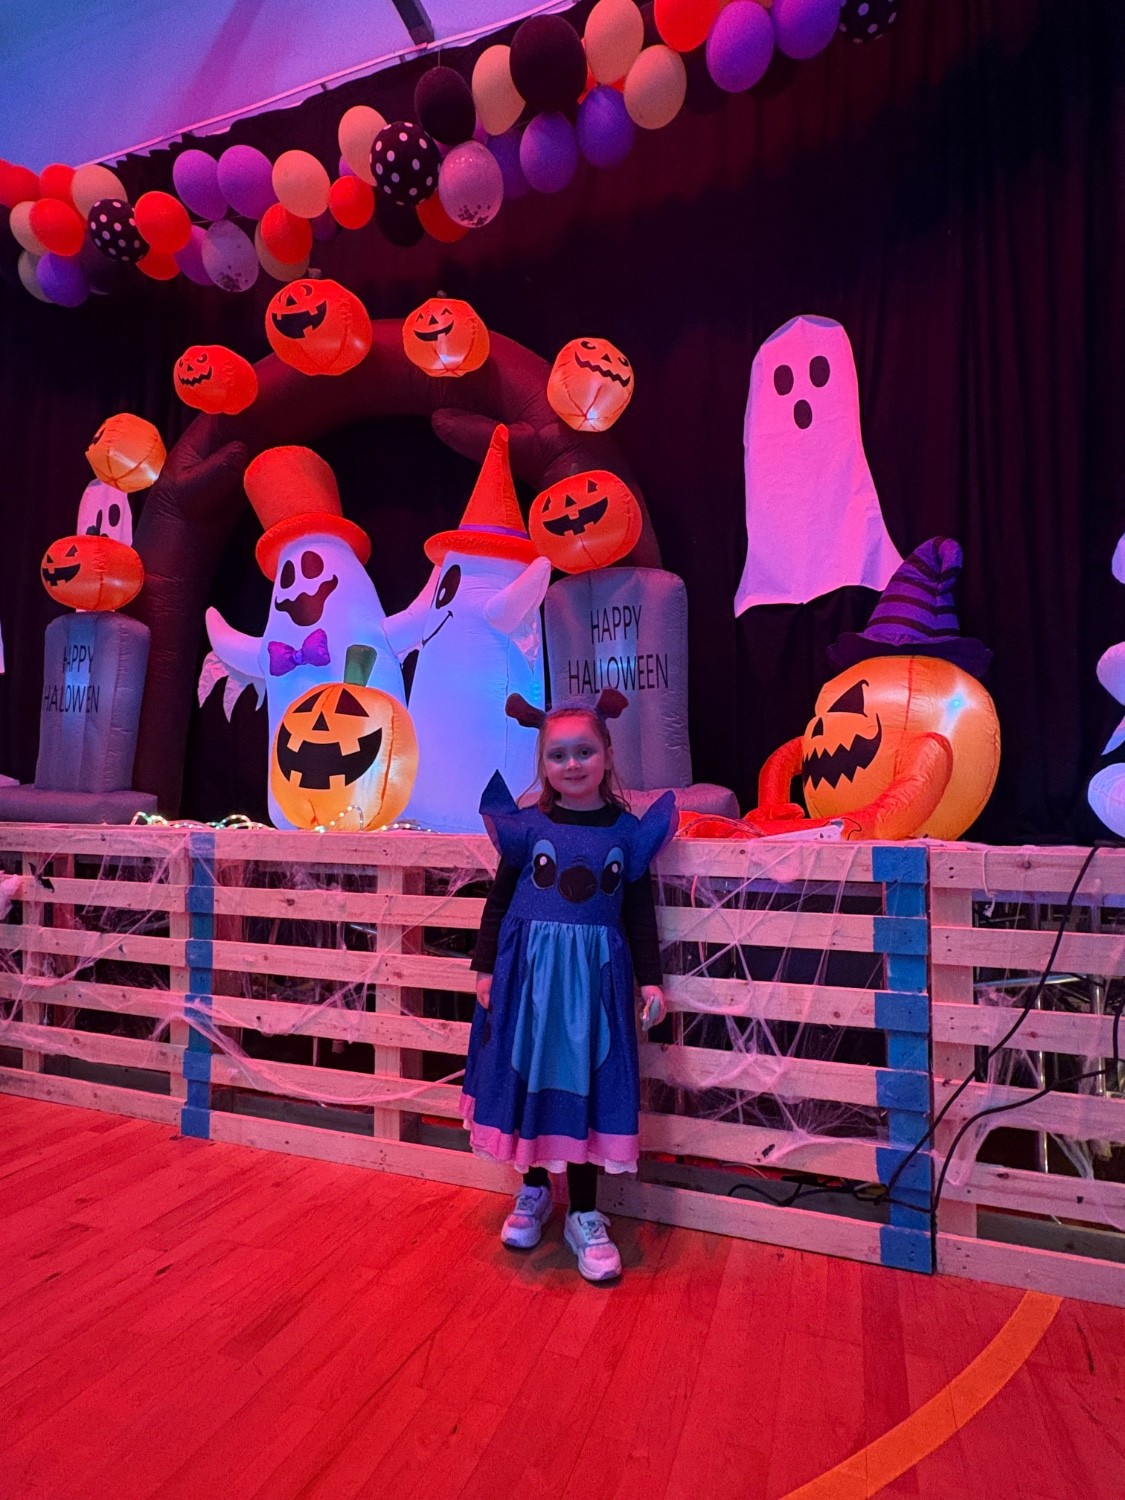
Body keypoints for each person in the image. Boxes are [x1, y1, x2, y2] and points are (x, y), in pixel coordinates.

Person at [460, 689, 676, 1282]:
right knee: (528, 1077)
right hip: (528, 982)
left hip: (593, 988)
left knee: (587, 1084)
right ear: (543, 764)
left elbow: (639, 914)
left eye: (584, 751)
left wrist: (651, 983)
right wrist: (485, 968)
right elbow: (498, 902)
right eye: (558, 755)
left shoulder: (626, 833)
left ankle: (584, 1211)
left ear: (607, 756)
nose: (572, 764)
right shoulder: (528, 828)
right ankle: (533, 1189)